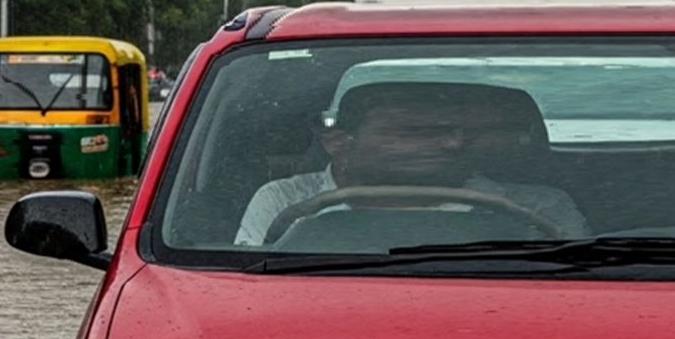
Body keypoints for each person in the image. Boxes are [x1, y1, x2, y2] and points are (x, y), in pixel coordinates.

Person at [236, 81, 590, 246]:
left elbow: (575, 300)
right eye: (420, 131)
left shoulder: (540, 207)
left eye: (459, 131)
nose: (455, 143)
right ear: (338, 142)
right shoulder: (285, 202)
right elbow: (240, 289)